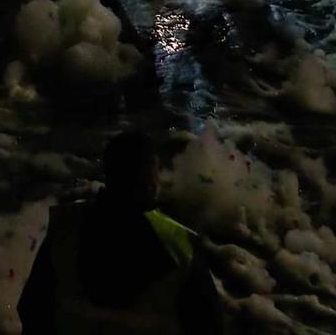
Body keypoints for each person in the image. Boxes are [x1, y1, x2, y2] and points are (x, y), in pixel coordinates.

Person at [19, 130, 225, 334]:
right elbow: (210, 326)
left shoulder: (65, 228)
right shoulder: (181, 245)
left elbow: (32, 308)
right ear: (151, 182)